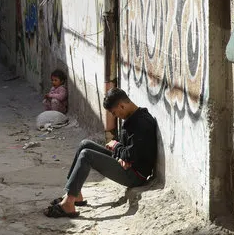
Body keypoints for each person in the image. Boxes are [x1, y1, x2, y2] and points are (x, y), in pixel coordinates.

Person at [44, 88, 157, 218]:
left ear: (122, 105)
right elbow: (126, 150)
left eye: (114, 112)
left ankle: (68, 203)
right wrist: (121, 153)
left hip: (135, 175)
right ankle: (75, 193)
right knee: (85, 144)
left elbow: (130, 155)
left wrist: (117, 148)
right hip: (126, 163)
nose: (115, 116)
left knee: (87, 155)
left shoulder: (142, 123)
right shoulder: (131, 117)